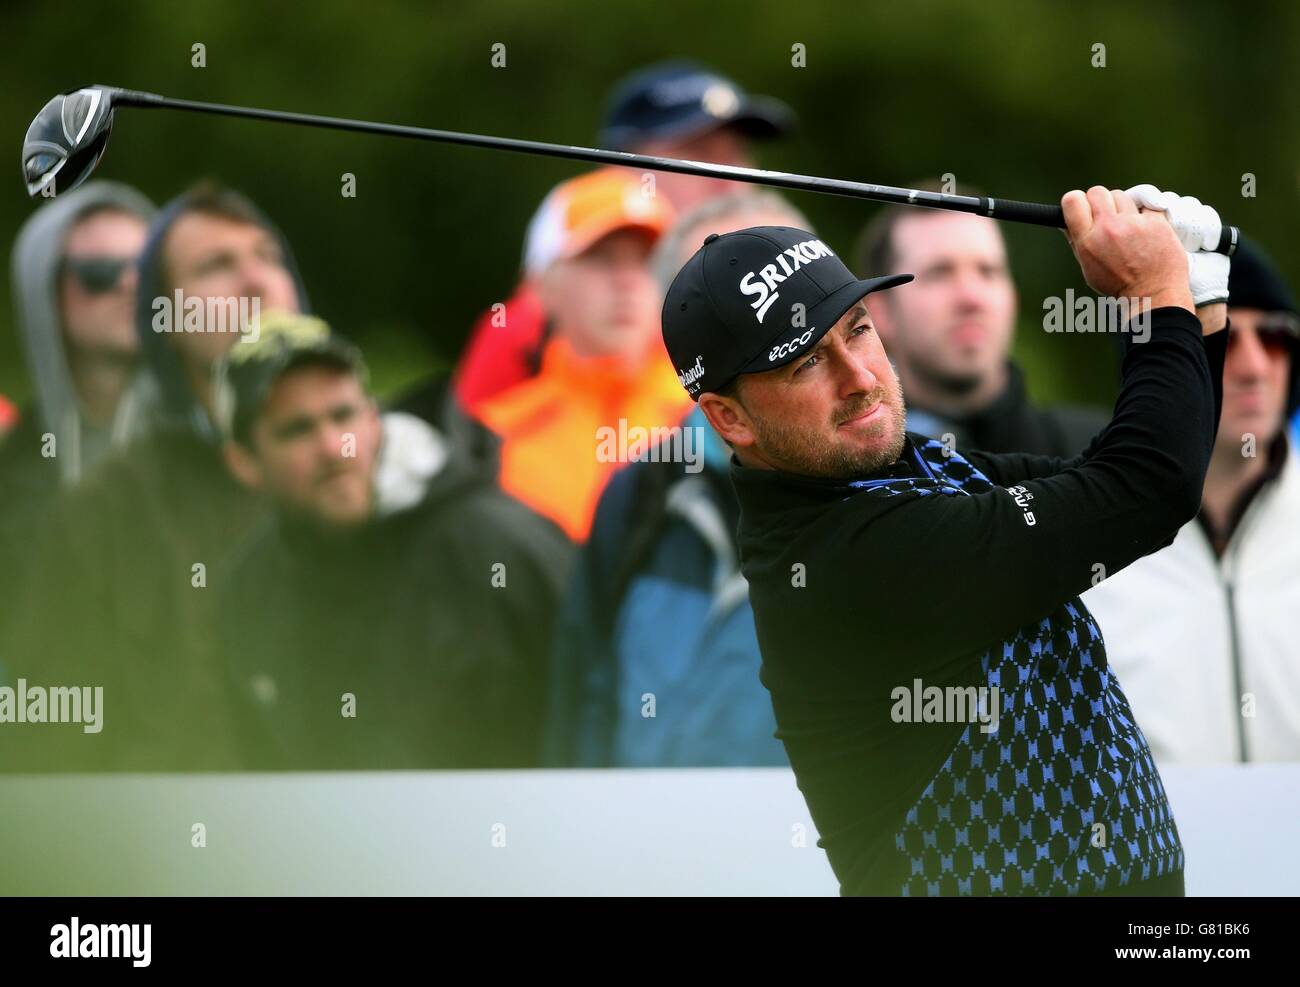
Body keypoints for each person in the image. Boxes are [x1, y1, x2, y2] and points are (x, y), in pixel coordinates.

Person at [660, 185, 1231, 896]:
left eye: (858, 328)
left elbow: (1135, 477)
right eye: (805, 361)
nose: (860, 378)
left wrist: (1197, 305)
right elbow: (1147, 487)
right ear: (728, 417)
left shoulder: (921, 468)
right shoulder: (842, 556)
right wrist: (1153, 294)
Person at [1, 182, 307, 771]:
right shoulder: (95, 502)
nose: (253, 282)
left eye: (269, 257)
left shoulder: (405, 469)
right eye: (97, 272)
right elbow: (52, 743)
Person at [214, 313, 572, 769]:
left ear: (374, 421)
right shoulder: (249, 591)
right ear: (243, 462)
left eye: (343, 415)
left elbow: (596, 711)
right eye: (297, 430)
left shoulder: (501, 546)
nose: (332, 446)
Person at [545, 191, 806, 767]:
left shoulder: (906, 480)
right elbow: (582, 706)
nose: (755, 313)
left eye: (780, 283)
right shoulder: (635, 493)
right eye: (716, 295)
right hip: (638, 849)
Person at [447, 62, 794, 414]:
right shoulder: (534, 328)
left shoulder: (779, 289)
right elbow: (476, 457)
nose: (729, 179)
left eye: (737, 154)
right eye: (700, 154)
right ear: (621, 167)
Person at [1082, 236, 1300, 763]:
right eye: (1223, 339)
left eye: (1273, 338)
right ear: (1168, 366)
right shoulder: (1089, 546)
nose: (1252, 368)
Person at [469, 168, 691, 542]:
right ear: (541, 285)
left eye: (647, 261)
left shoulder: (718, 415)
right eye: (602, 258)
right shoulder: (491, 439)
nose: (628, 281)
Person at [855, 184, 1107, 456]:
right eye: (939, 273)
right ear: (880, 311)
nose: (971, 298)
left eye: (988, 271)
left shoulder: (1101, 450)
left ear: (1013, 295)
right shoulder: (855, 472)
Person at [0, 182, 156, 611]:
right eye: (99, 273)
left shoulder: (215, 439)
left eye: (148, 266)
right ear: (46, 291)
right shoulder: (15, 466)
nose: (130, 283)